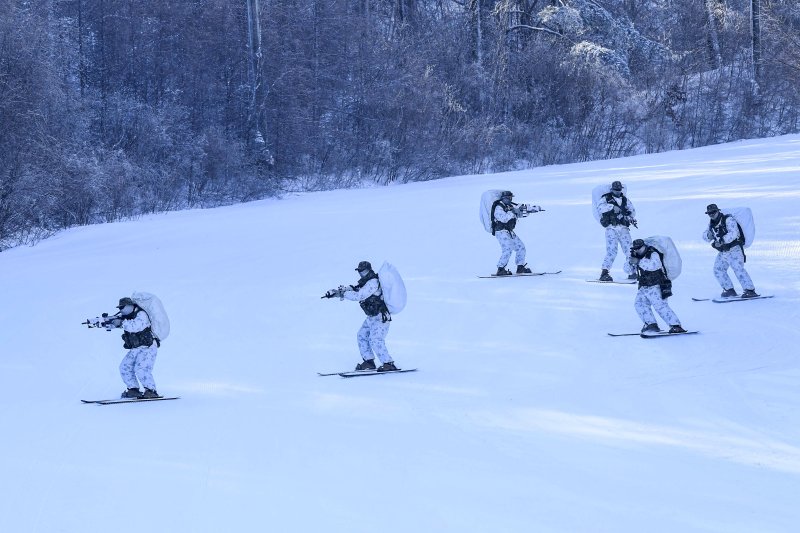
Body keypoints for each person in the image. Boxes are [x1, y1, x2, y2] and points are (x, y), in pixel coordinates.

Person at [328, 261, 398, 372]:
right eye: (360, 271)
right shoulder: (365, 283)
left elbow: (360, 295)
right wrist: (337, 292)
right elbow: (355, 289)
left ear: (369, 270)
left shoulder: (373, 282)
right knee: (362, 335)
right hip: (371, 317)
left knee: (376, 339)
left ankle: (388, 363)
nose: (361, 273)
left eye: (364, 271)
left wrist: (342, 294)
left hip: (380, 316)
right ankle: (369, 362)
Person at [102, 297, 160, 398]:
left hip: (148, 347)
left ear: (130, 306)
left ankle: (151, 391)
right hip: (136, 348)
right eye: (120, 308)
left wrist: (120, 323)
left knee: (142, 368)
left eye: (122, 307)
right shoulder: (126, 317)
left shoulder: (141, 314)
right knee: (124, 367)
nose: (121, 310)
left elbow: (135, 327)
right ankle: (133, 389)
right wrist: (107, 323)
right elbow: (119, 324)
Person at [629, 239, 686, 334]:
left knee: (660, 306)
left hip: (656, 285)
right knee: (639, 304)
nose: (637, 250)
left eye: (639, 248)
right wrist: (631, 260)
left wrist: (639, 261)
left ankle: (675, 326)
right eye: (635, 249)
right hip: (643, 286)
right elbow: (627, 270)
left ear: (644, 246)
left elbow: (654, 265)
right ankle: (651, 324)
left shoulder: (652, 253)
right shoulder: (636, 256)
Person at [702, 204, 758, 298]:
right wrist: (709, 236)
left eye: (713, 212)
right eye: (709, 213)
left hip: (734, 249)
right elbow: (704, 235)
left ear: (718, 211)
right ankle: (729, 290)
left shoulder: (728, 219)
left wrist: (721, 240)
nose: (711, 214)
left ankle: (750, 290)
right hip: (723, 251)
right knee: (718, 270)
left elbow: (734, 233)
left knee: (738, 269)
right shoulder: (711, 223)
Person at [595, 180, 637, 282]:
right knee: (612, 251)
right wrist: (612, 207)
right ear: (612, 189)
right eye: (615, 190)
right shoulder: (606, 198)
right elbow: (600, 208)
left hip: (623, 228)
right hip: (611, 229)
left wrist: (629, 215)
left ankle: (632, 272)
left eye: (619, 190)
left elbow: (633, 211)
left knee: (629, 250)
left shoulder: (625, 200)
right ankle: (604, 273)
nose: (618, 192)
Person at [491, 191, 534, 276]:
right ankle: (500, 269)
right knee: (508, 248)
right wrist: (512, 211)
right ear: (504, 198)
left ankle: (520, 267)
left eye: (511, 198)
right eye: (509, 198)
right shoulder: (498, 207)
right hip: (501, 231)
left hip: (509, 231)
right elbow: (503, 218)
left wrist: (528, 211)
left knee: (521, 247)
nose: (510, 199)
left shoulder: (509, 206)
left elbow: (519, 215)